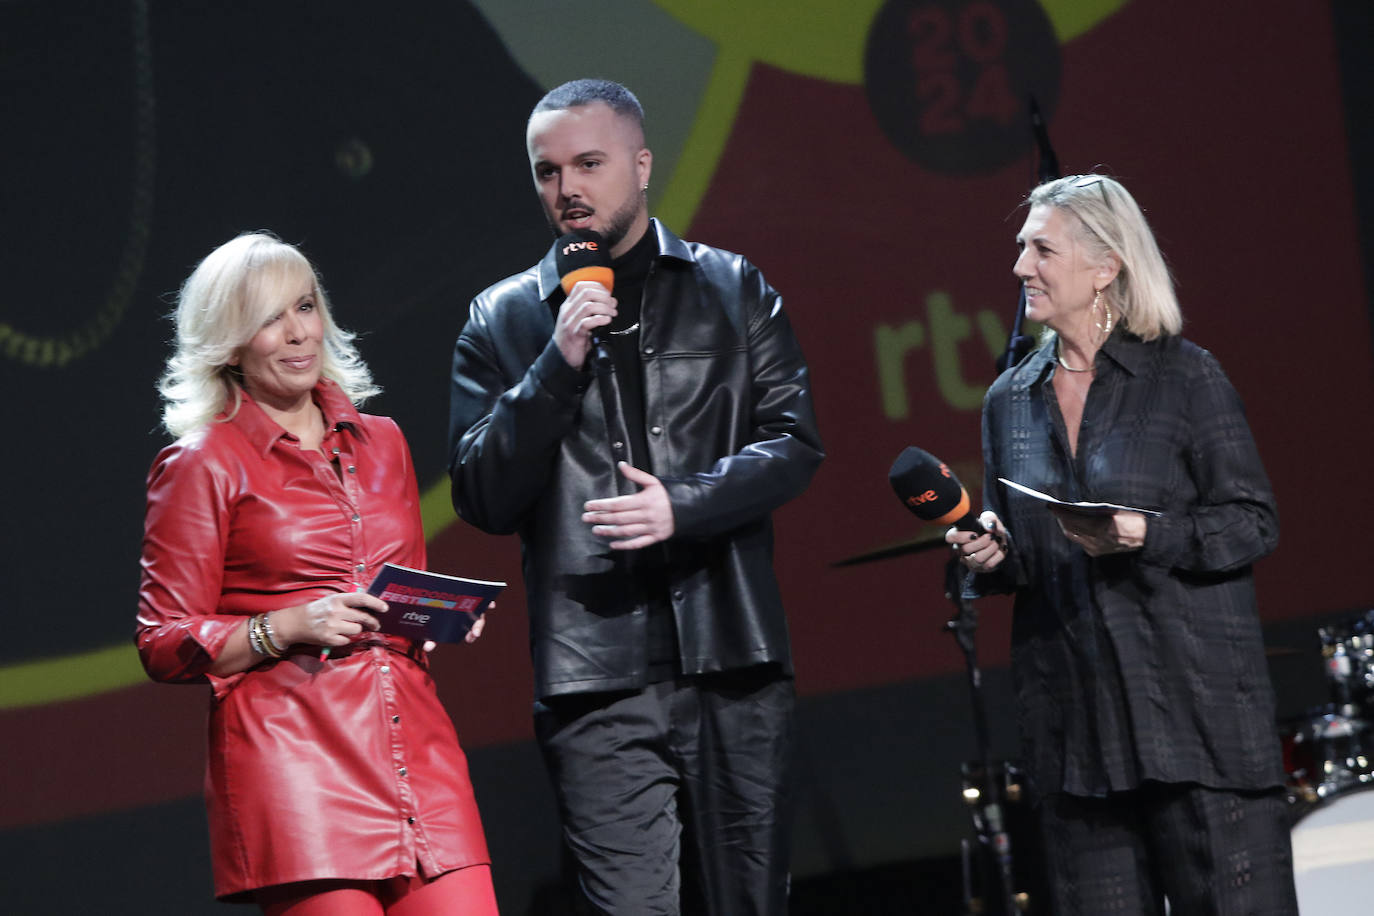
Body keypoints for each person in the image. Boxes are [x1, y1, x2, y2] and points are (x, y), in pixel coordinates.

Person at [448, 79, 823, 915]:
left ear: (642, 165)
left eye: (589, 164)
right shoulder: (505, 319)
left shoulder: (731, 288)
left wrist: (681, 506)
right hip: (594, 675)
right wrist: (558, 360)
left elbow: (795, 443)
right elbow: (480, 493)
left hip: (733, 657)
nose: (567, 190)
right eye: (548, 172)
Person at [947, 175, 1296, 914]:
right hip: (1078, 743)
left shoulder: (1184, 377)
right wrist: (993, 556)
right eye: (1020, 248)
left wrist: (1145, 532)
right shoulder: (1010, 401)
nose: (1020, 268)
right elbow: (1031, 558)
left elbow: (1251, 521)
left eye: (1042, 249)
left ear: (1105, 266)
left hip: (1198, 730)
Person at [137, 232, 498, 915]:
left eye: (305, 306)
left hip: (417, 754)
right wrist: (285, 627)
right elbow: (162, 640)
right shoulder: (202, 463)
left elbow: (398, 590)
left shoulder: (383, 440)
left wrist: (437, 617)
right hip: (296, 768)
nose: (298, 332)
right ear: (231, 341)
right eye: (270, 318)